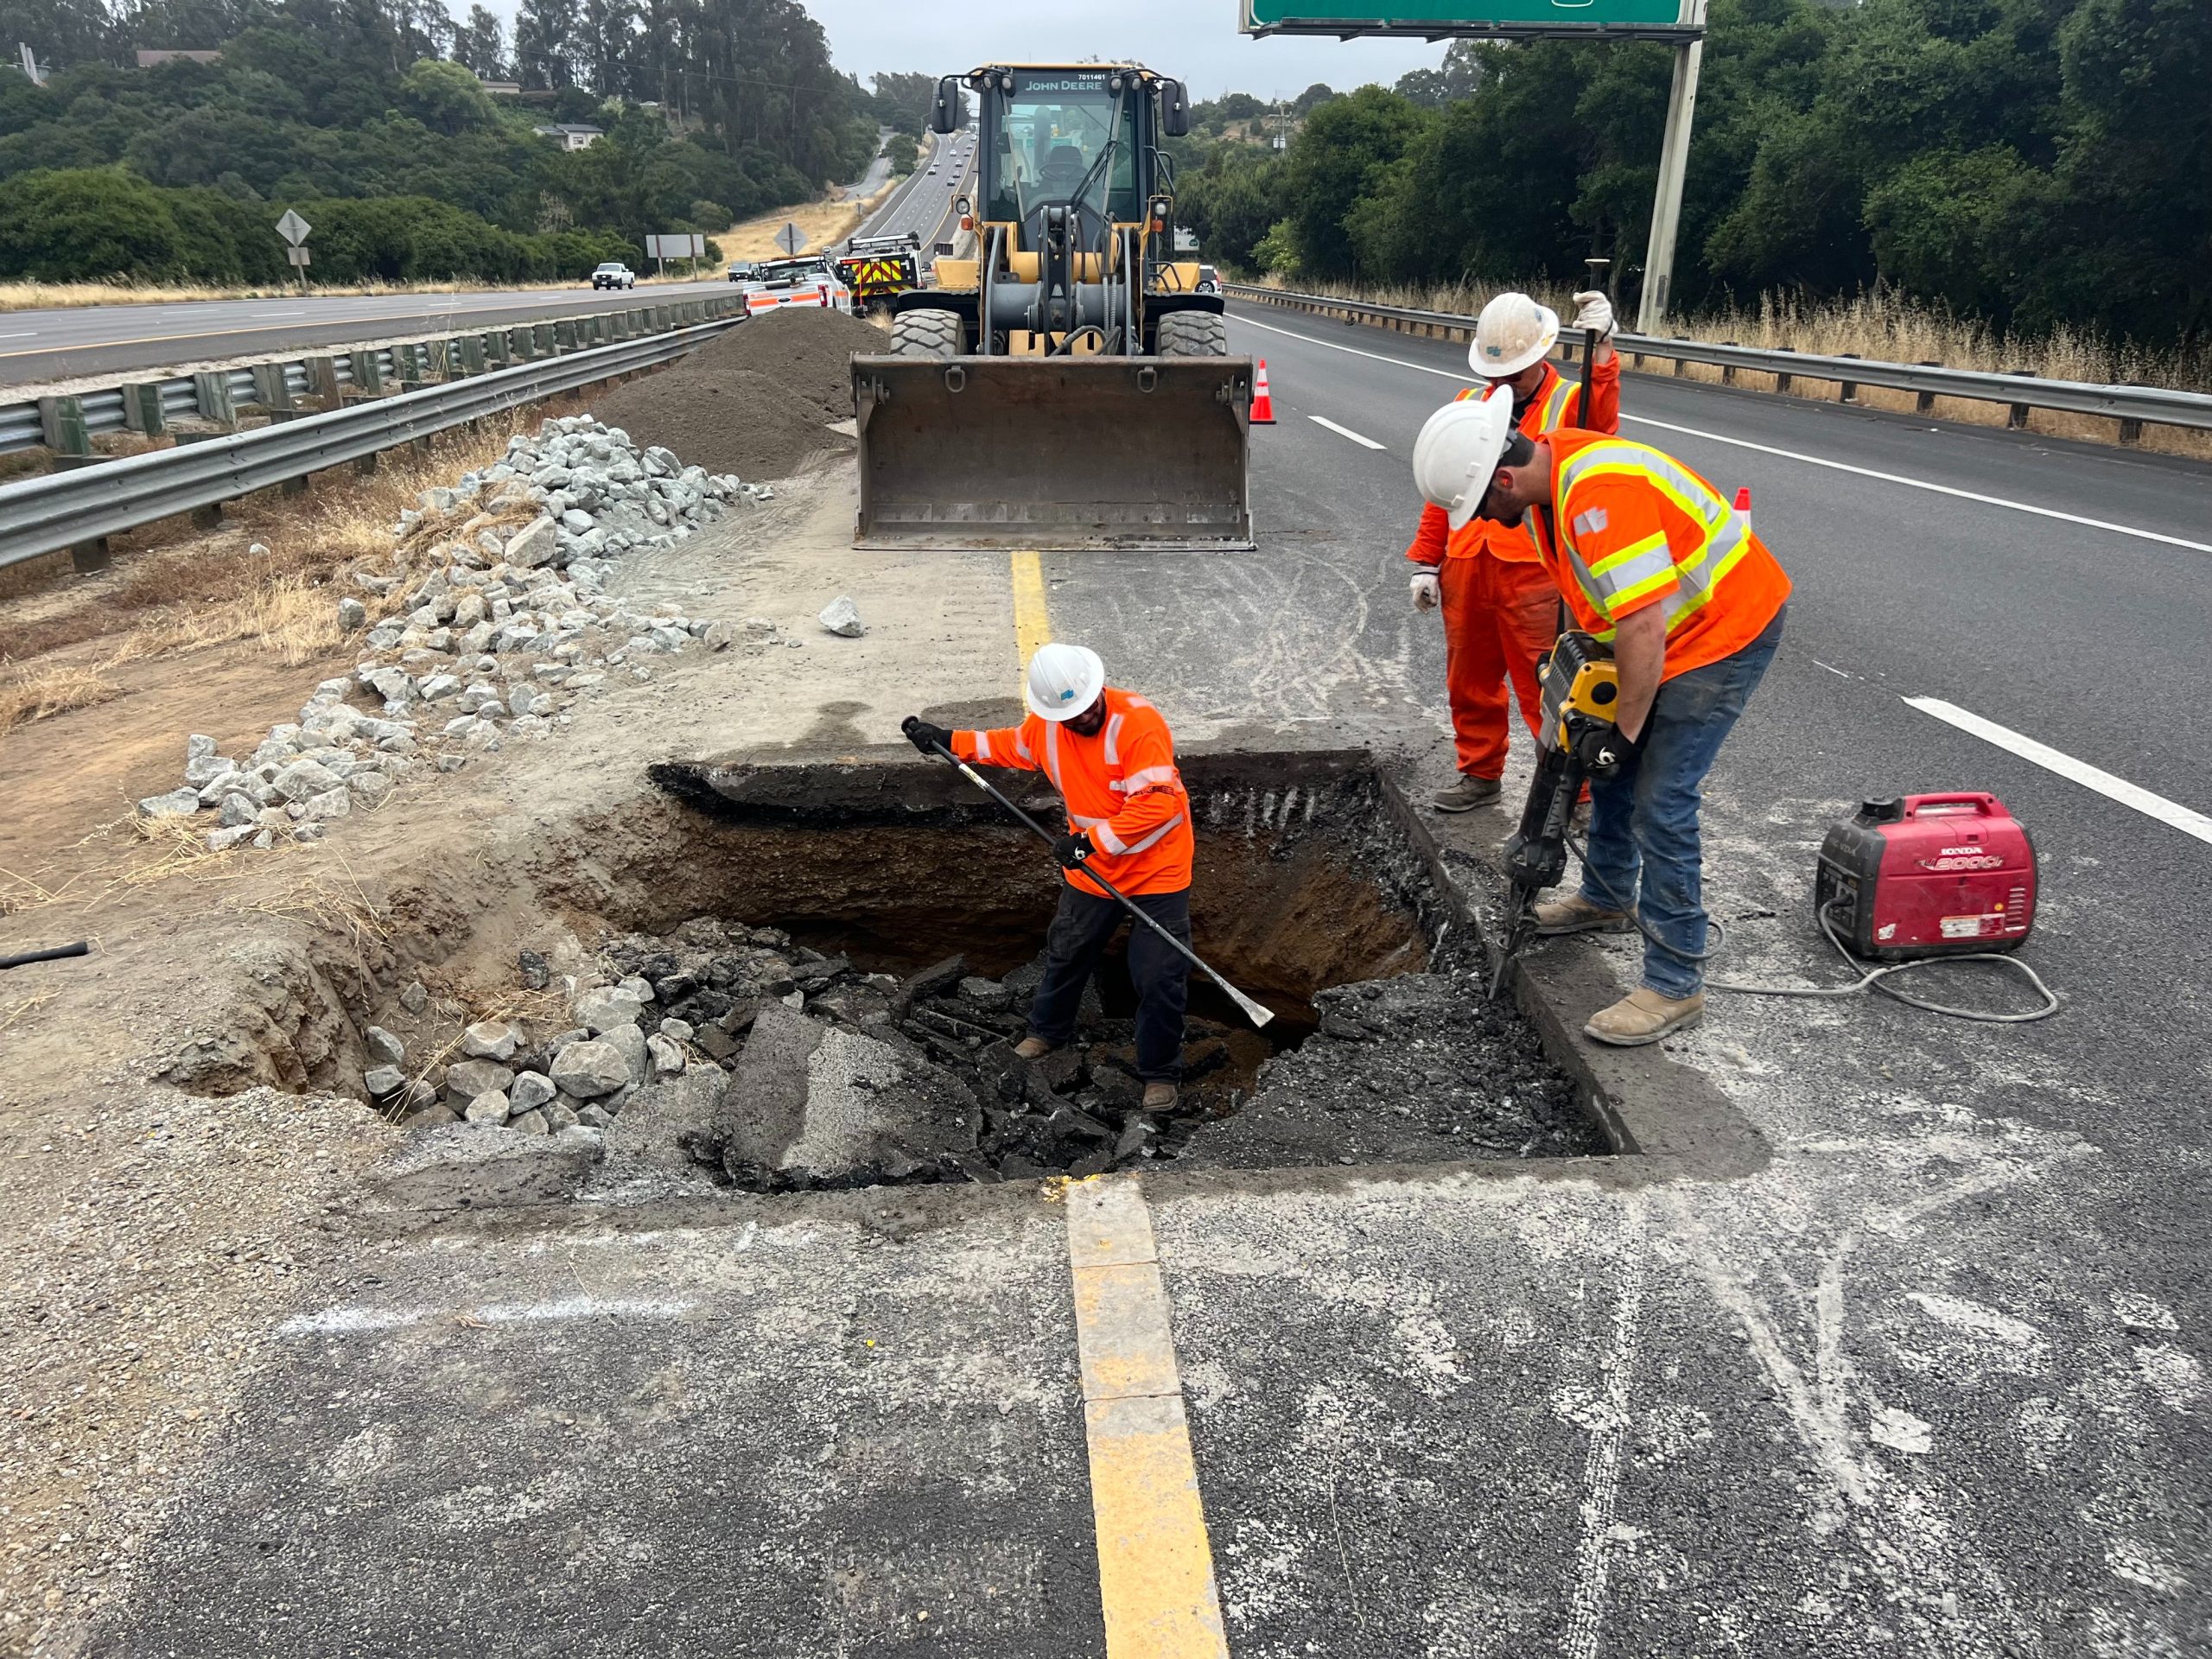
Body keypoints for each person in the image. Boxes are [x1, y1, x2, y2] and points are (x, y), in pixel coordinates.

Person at [1413, 397, 1791, 1046]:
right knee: (1606, 770)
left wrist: (1626, 733)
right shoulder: (1549, 484)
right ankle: (1609, 896)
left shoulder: (1598, 494)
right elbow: (1598, 599)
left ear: (1502, 479)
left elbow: (1645, 624)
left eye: (1480, 508)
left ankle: (1675, 984)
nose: (1483, 521)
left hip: (1720, 632)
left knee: (1660, 801)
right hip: (1662, 632)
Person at [903, 642, 1192, 1109]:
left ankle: (1160, 1071)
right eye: (1070, 715)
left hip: (1156, 870)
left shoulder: (1137, 722)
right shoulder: (1048, 726)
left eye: (1086, 708)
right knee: (1067, 952)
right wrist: (948, 740)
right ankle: (1047, 1033)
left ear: (1098, 690)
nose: (1081, 719)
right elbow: (1008, 745)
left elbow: (1158, 805)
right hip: (1091, 869)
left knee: (1159, 976)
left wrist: (1088, 842)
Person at [1408, 289, 1620, 812]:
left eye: (1515, 374)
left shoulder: (1571, 402)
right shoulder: (1467, 406)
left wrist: (1604, 355)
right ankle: (1480, 773)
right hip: (1467, 565)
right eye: (1496, 375)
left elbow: (1602, 429)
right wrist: (1426, 561)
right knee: (1469, 680)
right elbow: (1445, 491)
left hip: (1533, 574)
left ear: (1540, 358)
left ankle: (1578, 793)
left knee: (1549, 685)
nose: (1504, 384)